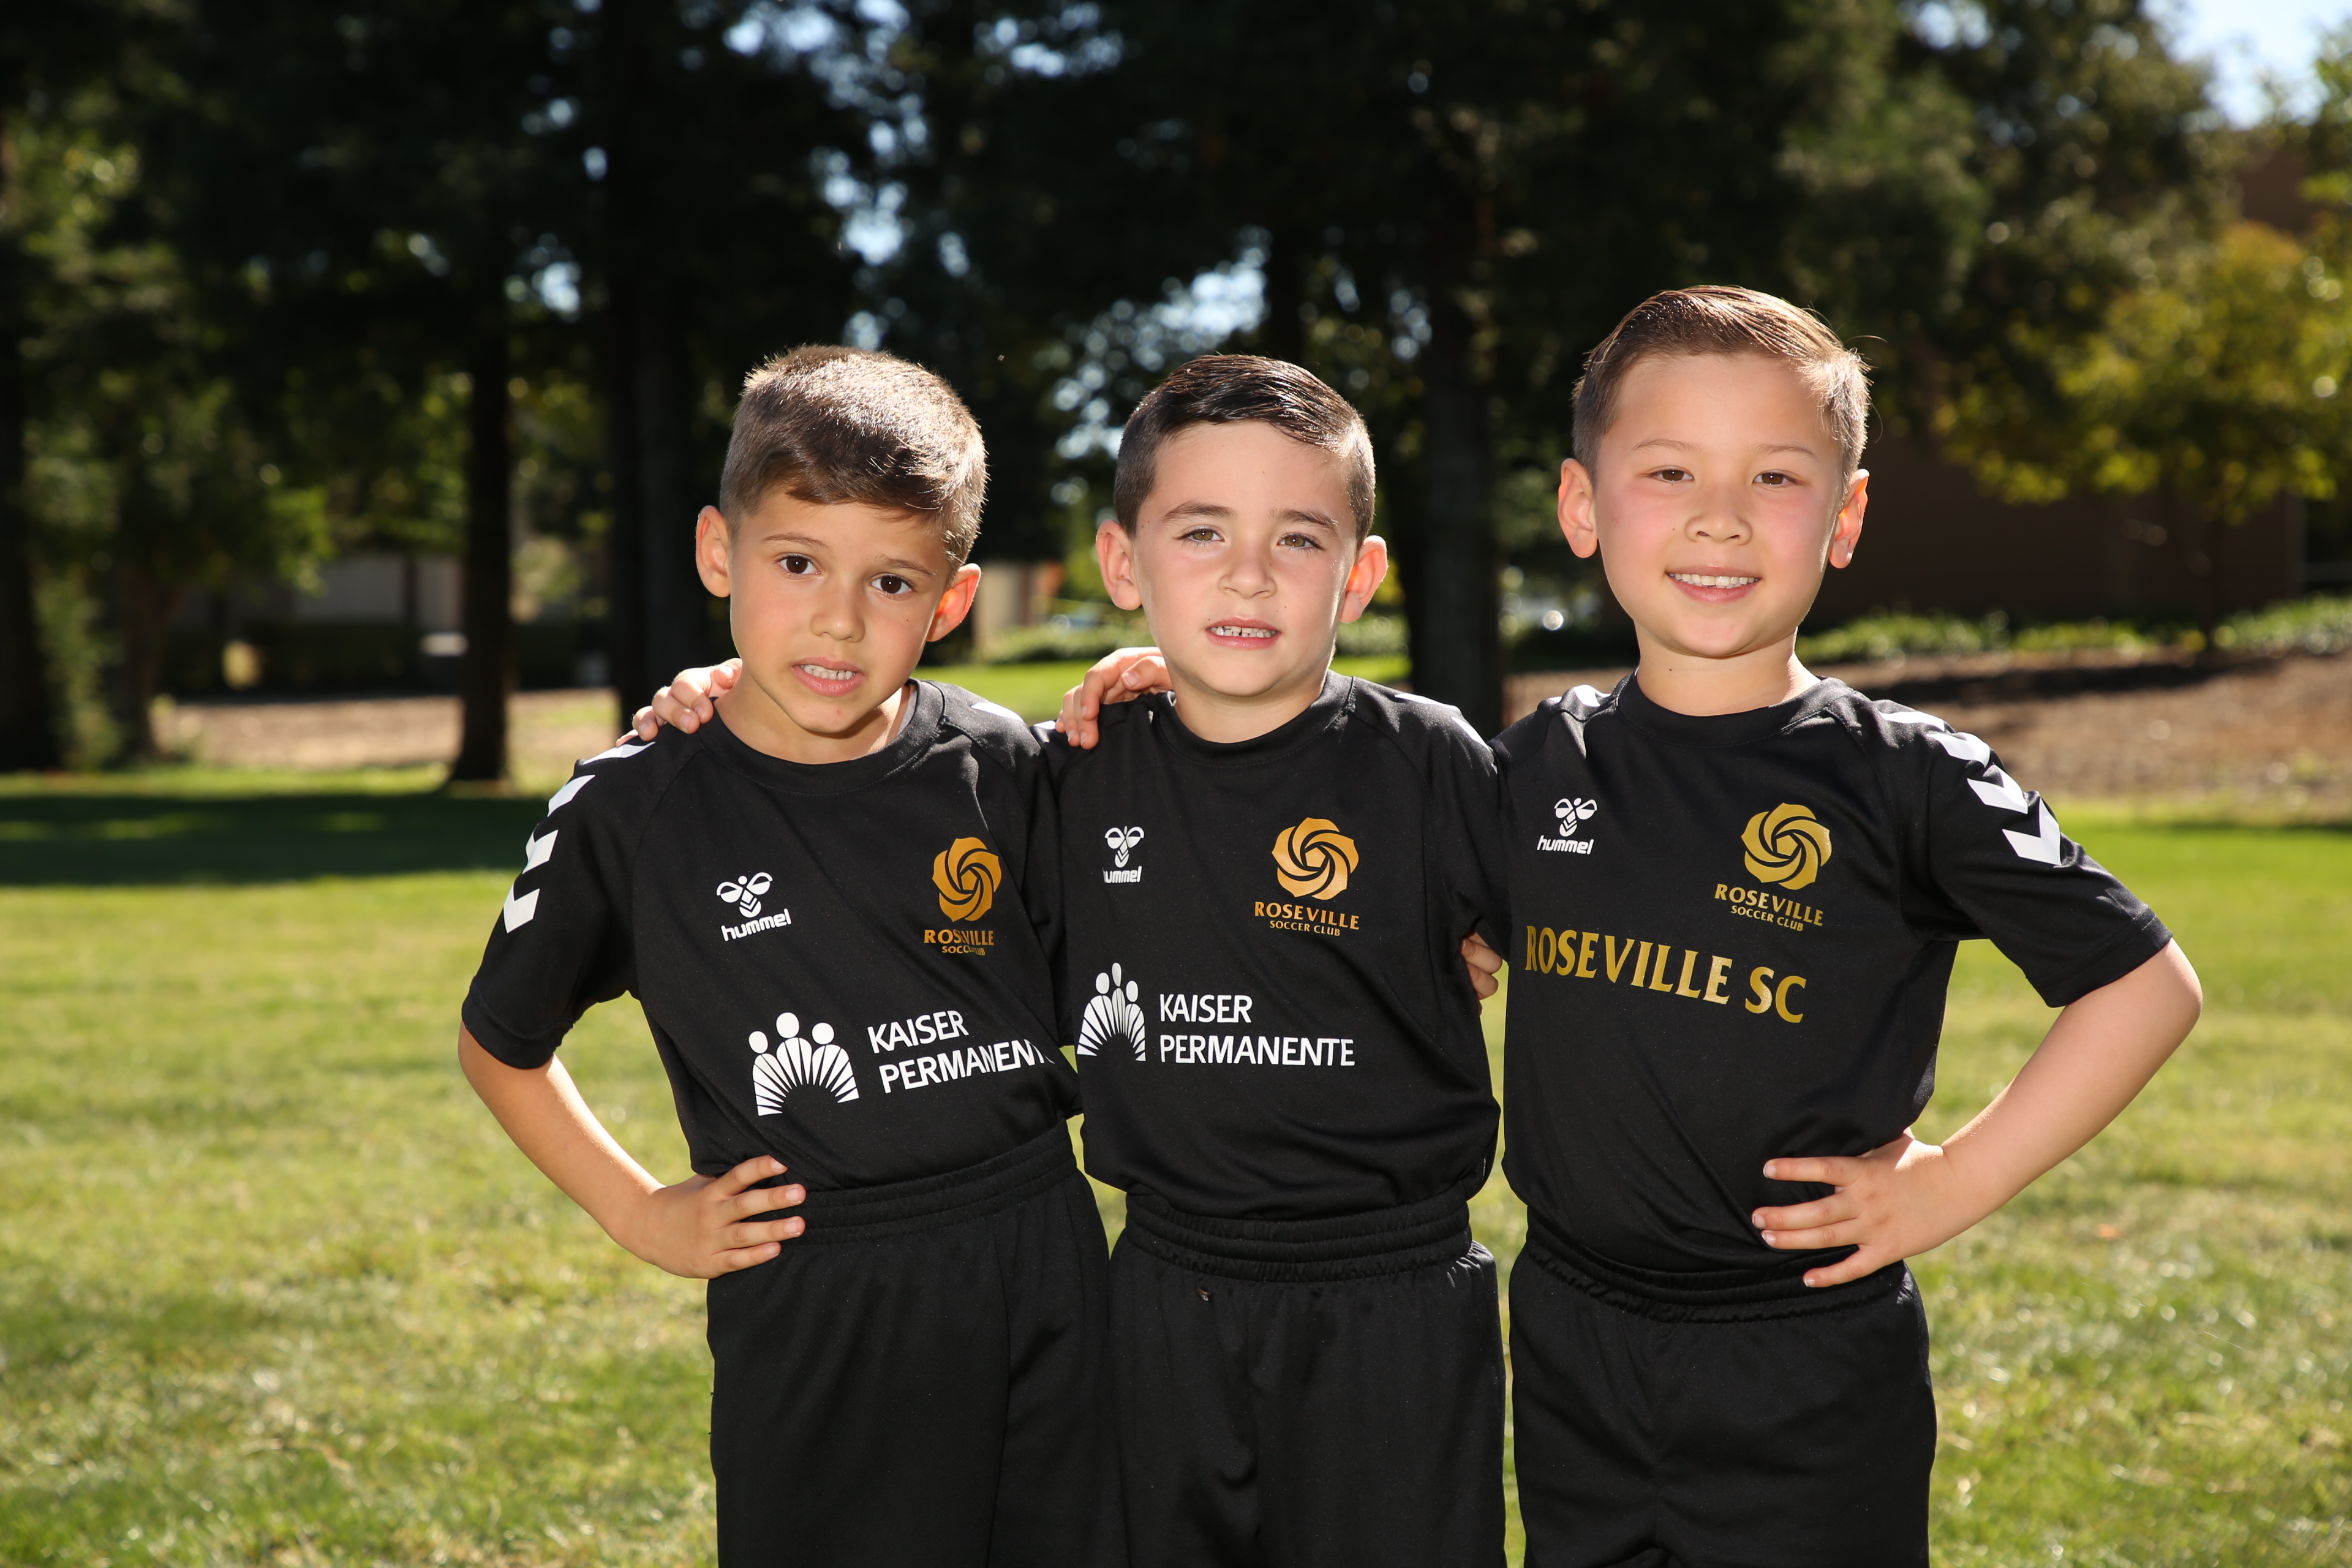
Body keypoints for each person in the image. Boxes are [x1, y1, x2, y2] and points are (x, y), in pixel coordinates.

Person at [642, 355, 1513, 1568]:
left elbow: (1573, 944)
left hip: (1398, 1291)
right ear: (1123, 564)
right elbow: (888, 779)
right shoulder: (1076, 773)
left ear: (1360, 574)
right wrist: (727, 690)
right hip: (1159, 1291)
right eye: (1201, 532)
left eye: (1297, 539)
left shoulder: (1435, 763)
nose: (1248, 573)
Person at [1490, 285, 2202, 1566]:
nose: (1719, 515)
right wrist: (1161, 689)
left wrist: (1956, 1182)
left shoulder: (1909, 773)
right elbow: (1396, 881)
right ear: (1582, 506)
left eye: (1774, 475)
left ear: (1846, 516)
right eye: (1669, 470)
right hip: (1571, 1336)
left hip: (1807, 1354)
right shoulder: (1539, 761)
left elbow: (2145, 986)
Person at [458, 345, 1122, 1568]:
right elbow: (501, 1041)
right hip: (817, 1288)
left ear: (952, 601)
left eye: (892, 581)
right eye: (797, 562)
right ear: (720, 551)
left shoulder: (1001, 761)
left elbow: (1155, 900)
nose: (838, 618)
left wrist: (1154, 700)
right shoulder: (635, 804)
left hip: (1041, 1251)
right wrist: (640, 1211)